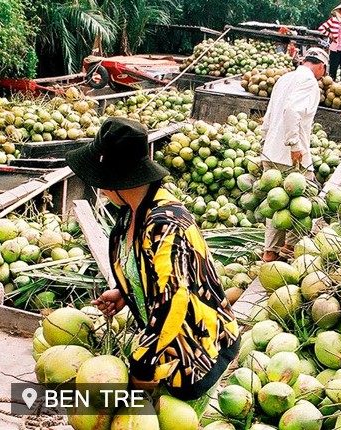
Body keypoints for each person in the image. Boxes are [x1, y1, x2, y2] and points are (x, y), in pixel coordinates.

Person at [65, 117, 240, 413]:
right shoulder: (131, 210)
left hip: (197, 352)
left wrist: (142, 366)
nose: (99, 188)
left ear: (116, 177)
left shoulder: (165, 224)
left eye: (99, 180)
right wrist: (126, 291)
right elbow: (152, 271)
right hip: (167, 346)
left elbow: (174, 301)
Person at [260, 47, 329, 263]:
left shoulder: (285, 79)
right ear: (321, 66)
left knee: (276, 205)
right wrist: (294, 144)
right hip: (291, 156)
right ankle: (289, 251)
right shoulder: (309, 82)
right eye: (324, 71)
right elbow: (291, 111)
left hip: (271, 152)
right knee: (302, 204)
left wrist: (264, 142)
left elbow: (270, 114)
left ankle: (270, 253)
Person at [318, 2, 341, 83]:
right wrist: (330, 35)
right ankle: (331, 84)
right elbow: (321, 28)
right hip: (335, 48)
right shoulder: (333, 20)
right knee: (333, 68)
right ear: (339, 12)